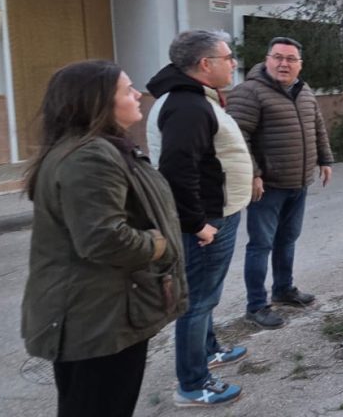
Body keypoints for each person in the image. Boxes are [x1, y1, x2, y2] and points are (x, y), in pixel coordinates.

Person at [21, 60, 188, 417]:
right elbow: (103, 239)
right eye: (127, 90)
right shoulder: (90, 156)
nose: (137, 95)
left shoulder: (101, 148)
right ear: (97, 102)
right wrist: (158, 245)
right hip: (98, 319)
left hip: (102, 312)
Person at [146, 30, 253, 407]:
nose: (234, 63)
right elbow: (178, 169)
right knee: (198, 301)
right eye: (228, 57)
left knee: (206, 295)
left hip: (215, 213)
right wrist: (196, 224)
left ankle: (208, 351)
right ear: (206, 64)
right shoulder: (187, 106)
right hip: (207, 220)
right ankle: (193, 384)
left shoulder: (195, 98)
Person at [227, 37, 334, 328]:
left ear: (300, 64)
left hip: (298, 182)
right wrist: (253, 173)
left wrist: (325, 159)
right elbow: (237, 138)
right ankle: (256, 306)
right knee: (260, 245)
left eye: (290, 59)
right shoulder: (249, 92)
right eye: (277, 57)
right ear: (267, 59)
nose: (283, 63)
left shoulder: (303, 90)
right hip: (268, 186)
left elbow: (317, 126)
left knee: (287, 239)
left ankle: (284, 289)